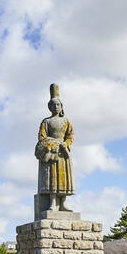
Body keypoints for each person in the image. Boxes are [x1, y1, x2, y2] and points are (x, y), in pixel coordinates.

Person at [35, 84, 74, 214]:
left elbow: (70, 135)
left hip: (63, 153)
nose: (56, 107)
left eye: (58, 105)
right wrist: (51, 143)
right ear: (49, 107)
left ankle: (63, 203)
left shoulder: (66, 121)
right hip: (51, 152)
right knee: (52, 178)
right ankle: (52, 203)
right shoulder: (46, 122)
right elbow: (42, 137)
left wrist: (66, 143)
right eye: (53, 105)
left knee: (63, 179)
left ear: (61, 106)